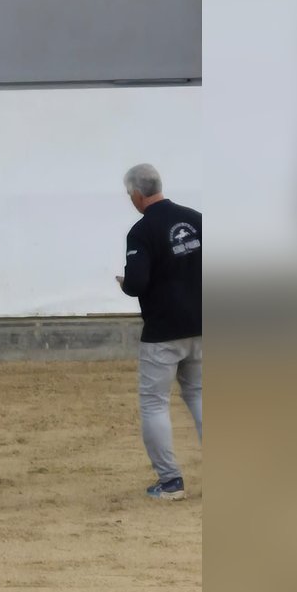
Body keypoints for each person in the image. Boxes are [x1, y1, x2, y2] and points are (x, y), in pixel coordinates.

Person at [117, 164, 202, 500]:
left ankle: (170, 481)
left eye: (129, 195)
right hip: (202, 324)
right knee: (198, 395)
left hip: (164, 332)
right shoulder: (197, 218)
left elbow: (137, 283)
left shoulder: (141, 231)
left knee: (154, 404)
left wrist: (126, 284)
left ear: (138, 194)